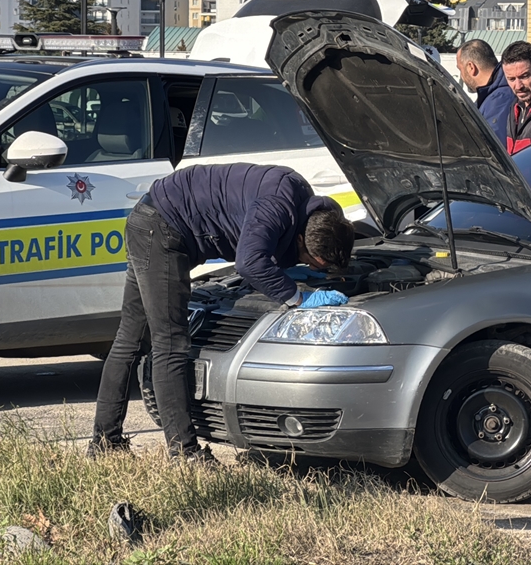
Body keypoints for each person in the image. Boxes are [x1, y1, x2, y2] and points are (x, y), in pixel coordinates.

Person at [88, 164, 355, 461]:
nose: (309, 266)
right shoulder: (277, 205)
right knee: (171, 343)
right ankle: (185, 453)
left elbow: (267, 242)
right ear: (303, 239)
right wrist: (296, 295)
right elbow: (250, 262)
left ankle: (104, 443)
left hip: (150, 218)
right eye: (310, 261)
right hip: (162, 227)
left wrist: (299, 269)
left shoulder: (309, 209)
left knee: (131, 337)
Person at [456, 38, 515, 143]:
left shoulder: (499, 100)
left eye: (460, 69)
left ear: (471, 67)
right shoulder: (493, 94)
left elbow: (490, 148)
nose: (461, 76)